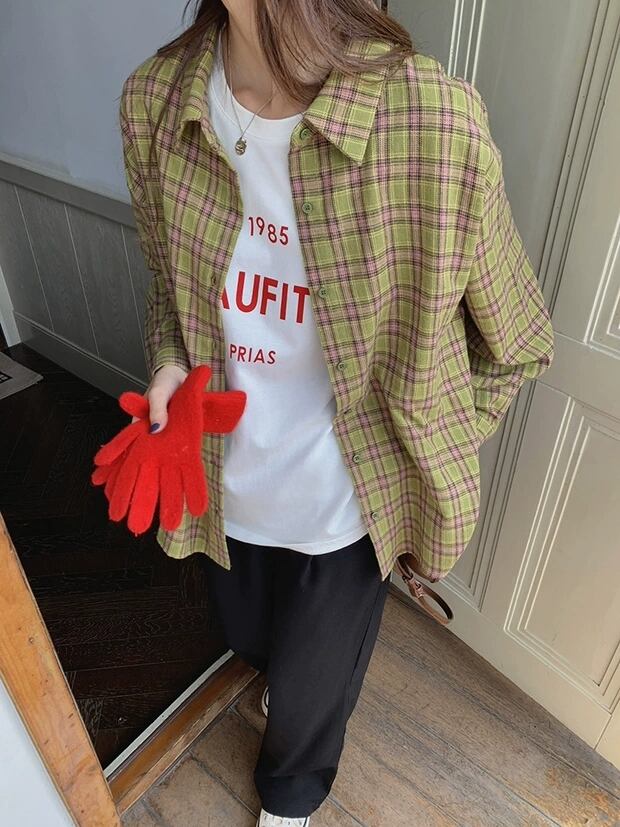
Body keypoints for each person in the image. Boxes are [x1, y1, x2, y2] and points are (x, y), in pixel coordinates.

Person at [119, 1, 555, 824]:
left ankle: (293, 797)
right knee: (251, 640)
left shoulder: (431, 121)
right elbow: (167, 289)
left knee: (313, 692)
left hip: (346, 504)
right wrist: (170, 363)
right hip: (219, 484)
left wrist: (425, 448)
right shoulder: (154, 102)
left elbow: (519, 341)